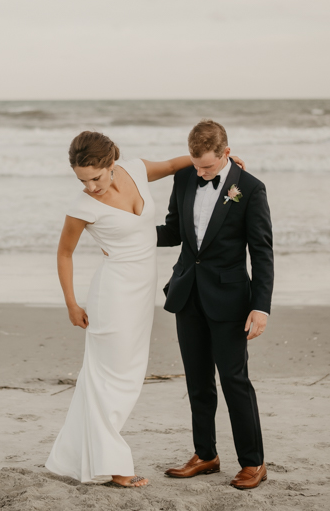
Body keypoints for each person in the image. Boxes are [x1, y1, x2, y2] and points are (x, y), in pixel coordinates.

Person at [45, 130, 246, 488]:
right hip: (113, 295)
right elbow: (64, 253)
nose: (90, 186)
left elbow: (172, 164)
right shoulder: (82, 206)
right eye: (82, 180)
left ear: (112, 164)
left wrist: (224, 166)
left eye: (96, 177)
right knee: (112, 379)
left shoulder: (135, 170)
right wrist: (71, 304)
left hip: (141, 295)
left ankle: (85, 455)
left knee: (128, 375)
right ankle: (114, 465)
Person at [157, 120, 273, 490]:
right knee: (197, 382)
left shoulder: (251, 189)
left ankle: (253, 462)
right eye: (196, 165)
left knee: (235, 381)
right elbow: (174, 231)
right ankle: (205, 454)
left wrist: (261, 307)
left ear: (226, 153)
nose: (200, 172)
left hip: (230, 300)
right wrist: (131, 234)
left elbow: (262, 252)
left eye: (207, 166)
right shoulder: (184, 179)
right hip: (187, 294)